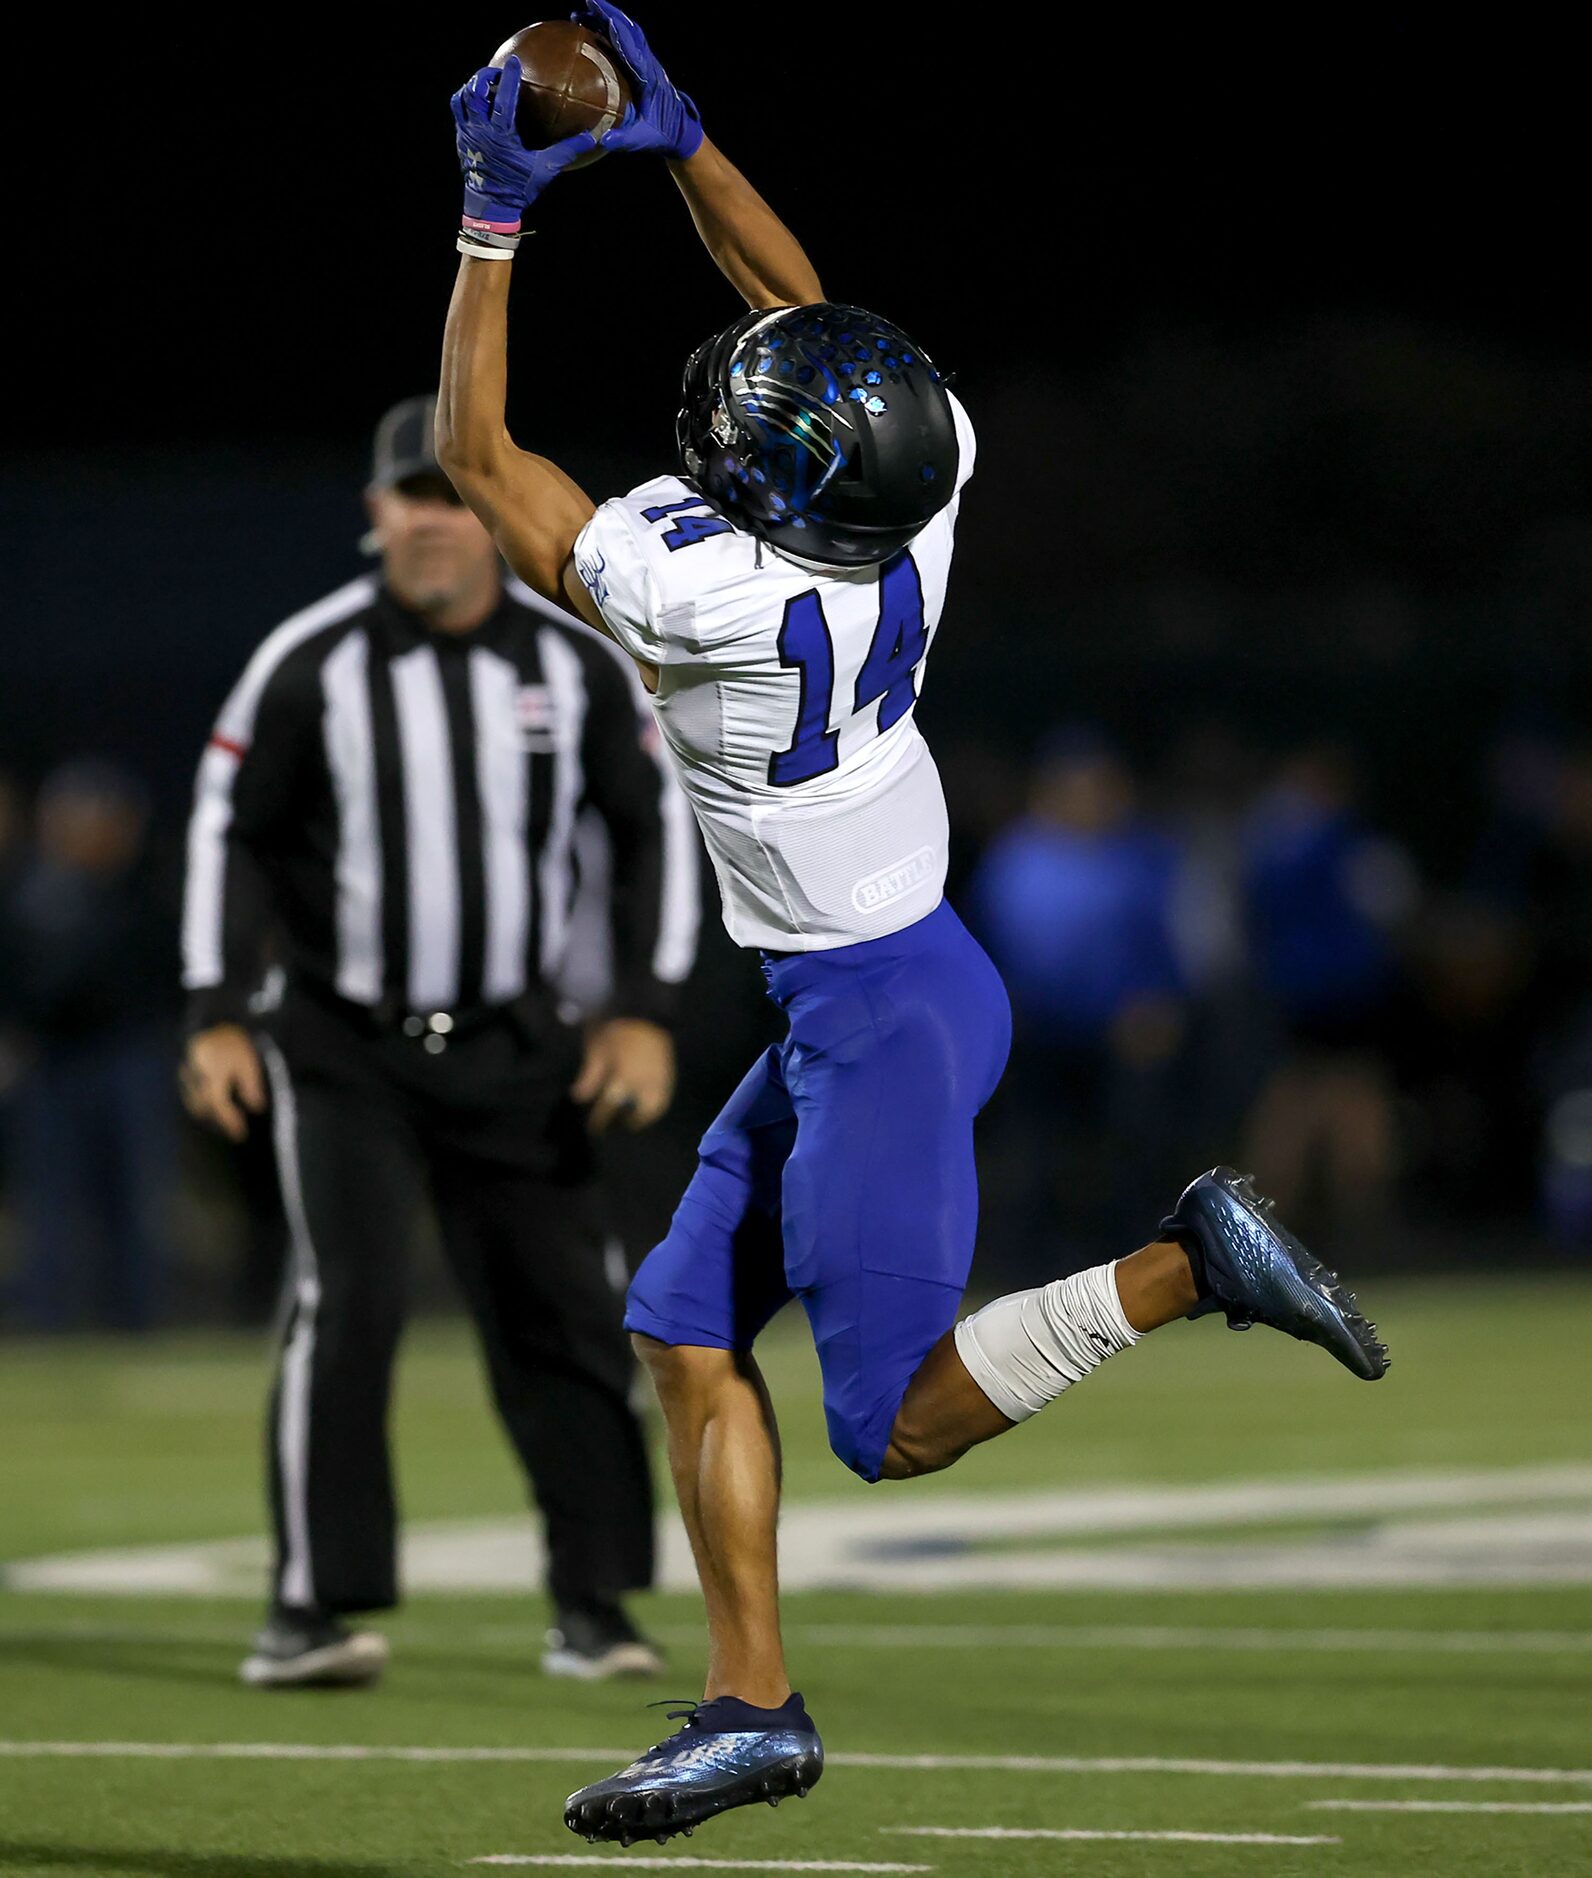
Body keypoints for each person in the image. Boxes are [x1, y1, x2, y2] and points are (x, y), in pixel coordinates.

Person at [436, 3, 1389, 1843]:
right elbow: (816, 327)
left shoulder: (696, 590)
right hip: (889, 984)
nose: (739, 383)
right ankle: (750, 1708)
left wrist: (494, 213)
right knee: (683, 1323)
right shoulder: (921, 485)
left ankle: (1189, 1260)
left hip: (873, 1020)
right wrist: (687, 142)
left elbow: (480, 463)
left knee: (896, 1424)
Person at [180, 392, 700, 1689]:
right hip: (342, 1041)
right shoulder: (308, 662)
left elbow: (656, 825)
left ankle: (596, 1601)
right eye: (410, 496)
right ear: (375, 516)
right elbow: (225, 829)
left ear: (493, 512)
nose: (432, 522)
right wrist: (212, 1013)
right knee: (343, 1299)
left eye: (454, 496)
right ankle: (311, 1602)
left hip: (520, 1042)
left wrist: (643, 1006)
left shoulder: (575, 659)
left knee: (567, 1312)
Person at [3, 760, 178, 1331]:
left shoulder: (145, 891)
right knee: (52, 1196)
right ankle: (47, 1317)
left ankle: (137, 1316)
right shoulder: (29, 892)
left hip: (130, 1055)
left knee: (135, 1196)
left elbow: (163, 976)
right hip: (53, 1061)